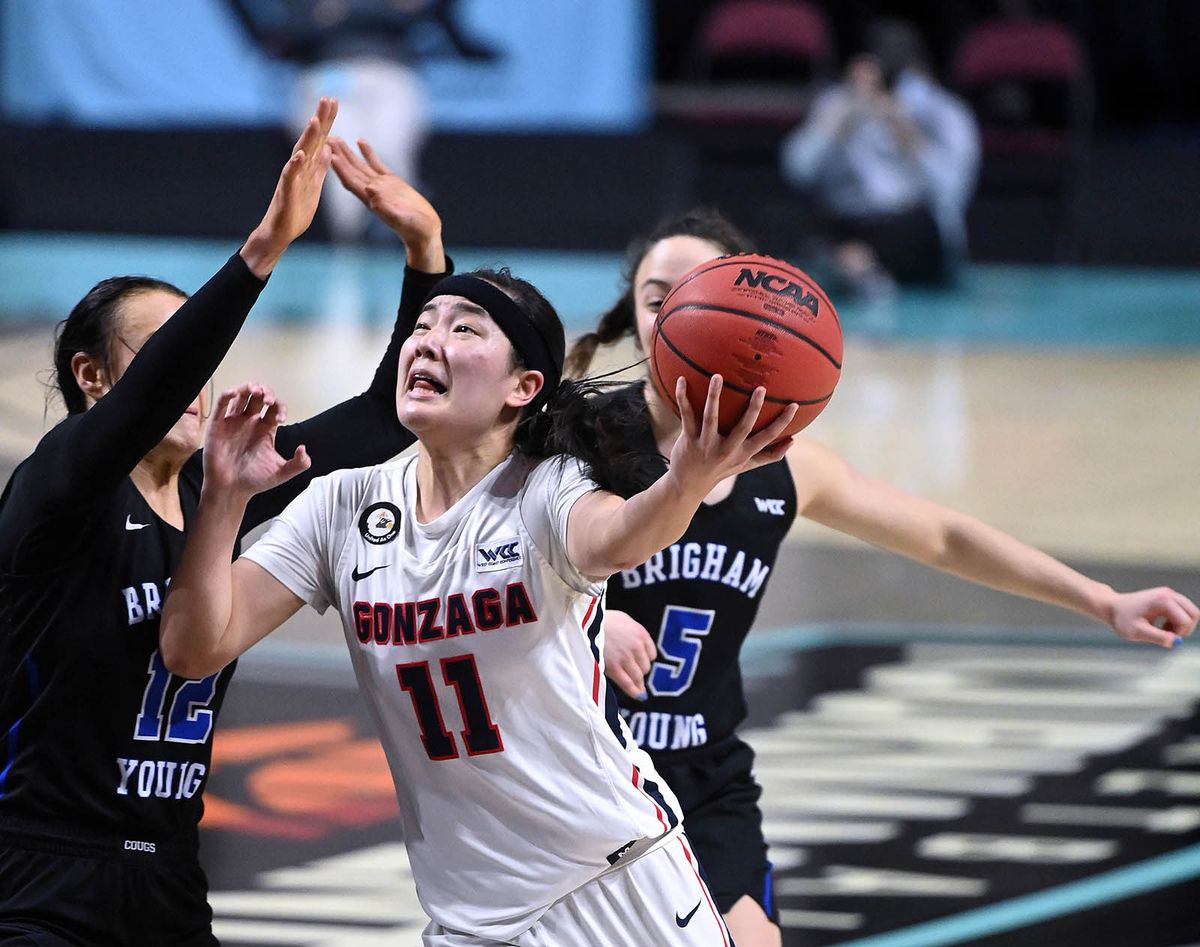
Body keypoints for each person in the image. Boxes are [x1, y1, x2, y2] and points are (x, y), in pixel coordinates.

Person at [563, 206, 1199, 947]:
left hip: (703, 774)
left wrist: (1103, 599)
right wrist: (585, 620)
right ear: (637, 313)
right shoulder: (579, 440)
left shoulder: (786, 465)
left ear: (745, 306)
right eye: (654, 294)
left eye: (693, 290)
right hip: (587, 763)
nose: (670, 308)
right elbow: (482, 561)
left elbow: (942, 535)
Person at [157, 246, 808, 942]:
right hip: (473, 921)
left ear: (522, 385)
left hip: (613, 887)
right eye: (424, 324)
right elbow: (195, 647)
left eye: (465, 329)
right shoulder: (341, 507)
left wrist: (686, 479)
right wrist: (223, 498)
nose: (429, 340)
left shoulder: (545, 488)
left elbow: (618, 536)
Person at [0, 97, 450, 945]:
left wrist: (423, 252)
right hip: (38, 874)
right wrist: (264, 250)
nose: (198, 380)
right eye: (171, 354)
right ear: (94, 377)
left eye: (202, 360)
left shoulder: (222, 488)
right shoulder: (56, 487)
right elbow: (154, 388)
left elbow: (385, 421)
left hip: (170, 875)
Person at [780, 18, 980, 296]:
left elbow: (951, 193)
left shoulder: (944, 112)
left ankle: (858, 263)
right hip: (847, 221)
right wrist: (836, 124)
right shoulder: (838, 104)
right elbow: (796, 170)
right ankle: (855, 263)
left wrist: (907, 133)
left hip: (910, 227)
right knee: (794, 222)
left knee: (917, 227)